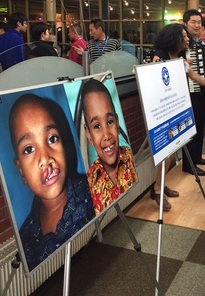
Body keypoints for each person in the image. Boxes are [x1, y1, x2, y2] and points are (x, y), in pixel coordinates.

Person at [9, 93, 95, 271]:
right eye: (29, 149)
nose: (45, 158)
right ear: (21, 171)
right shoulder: (25, 238)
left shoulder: (92, 192)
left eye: (52, 139)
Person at [151, 22, 205, 208]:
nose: (187, 39)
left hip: (175, 108)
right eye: (183, 36)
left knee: (172, 150)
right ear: (174, 38)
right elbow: (156, 80)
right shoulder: (159, 57)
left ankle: (159, 186)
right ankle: (158, 190)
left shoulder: (181, 55)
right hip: (162, 111)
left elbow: (194, 76)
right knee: (165, 152)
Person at [81, 78, 138, 215]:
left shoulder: (130, 159)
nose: (106, 135)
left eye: (110, 121)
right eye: (97, 126)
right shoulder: (88, 184)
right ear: (88, 134)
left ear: (117, 123)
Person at [182, 10, 205, 176]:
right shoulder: (182, 41)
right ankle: (189, 164)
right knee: (191, 128)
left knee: (200, 125)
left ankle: (197, 157)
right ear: (186, 23)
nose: (197, 25)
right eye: (193, 22)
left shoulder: (197, 42)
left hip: (200, 90)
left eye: (199, 22)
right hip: (189, 92)